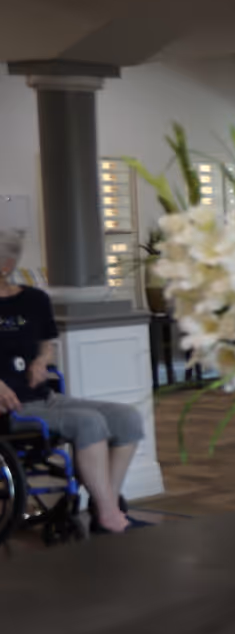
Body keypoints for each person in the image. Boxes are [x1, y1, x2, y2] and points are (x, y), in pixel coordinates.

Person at [0, 228, 147, 533]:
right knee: (88, 423)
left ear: (7, 265)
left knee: (126, 417)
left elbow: (47, 342)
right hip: (12, 407)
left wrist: (41, 360)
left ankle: (104, 502)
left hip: (45, 397)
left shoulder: (34, 300)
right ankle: (109, 515)